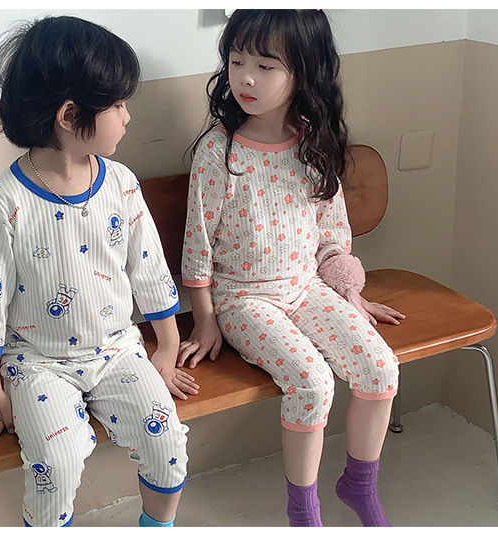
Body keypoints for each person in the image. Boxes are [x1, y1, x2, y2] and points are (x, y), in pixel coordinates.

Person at [0, 15, 198, 527]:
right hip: (37, 363)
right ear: (70, 115)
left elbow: (149, 268)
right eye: (117, 105)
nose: (128, 116)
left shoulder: (121, 183)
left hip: (118, 350)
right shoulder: (7, 202)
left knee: (168, 446)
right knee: (56, 462)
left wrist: (167, 344)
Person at [177, 9, 405, 527]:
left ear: (304, 72)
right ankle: (304, 512)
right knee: (313, 383)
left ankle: (360, 485)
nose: (245, 78)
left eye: (265, 66)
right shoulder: (218, 152)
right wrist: (206, 318)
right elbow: (197, 245)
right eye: (237, 61)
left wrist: (350, 293)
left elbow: (332, 234)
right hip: (243, 300)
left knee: (380, 368)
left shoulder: (313, 143)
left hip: (306, 288)